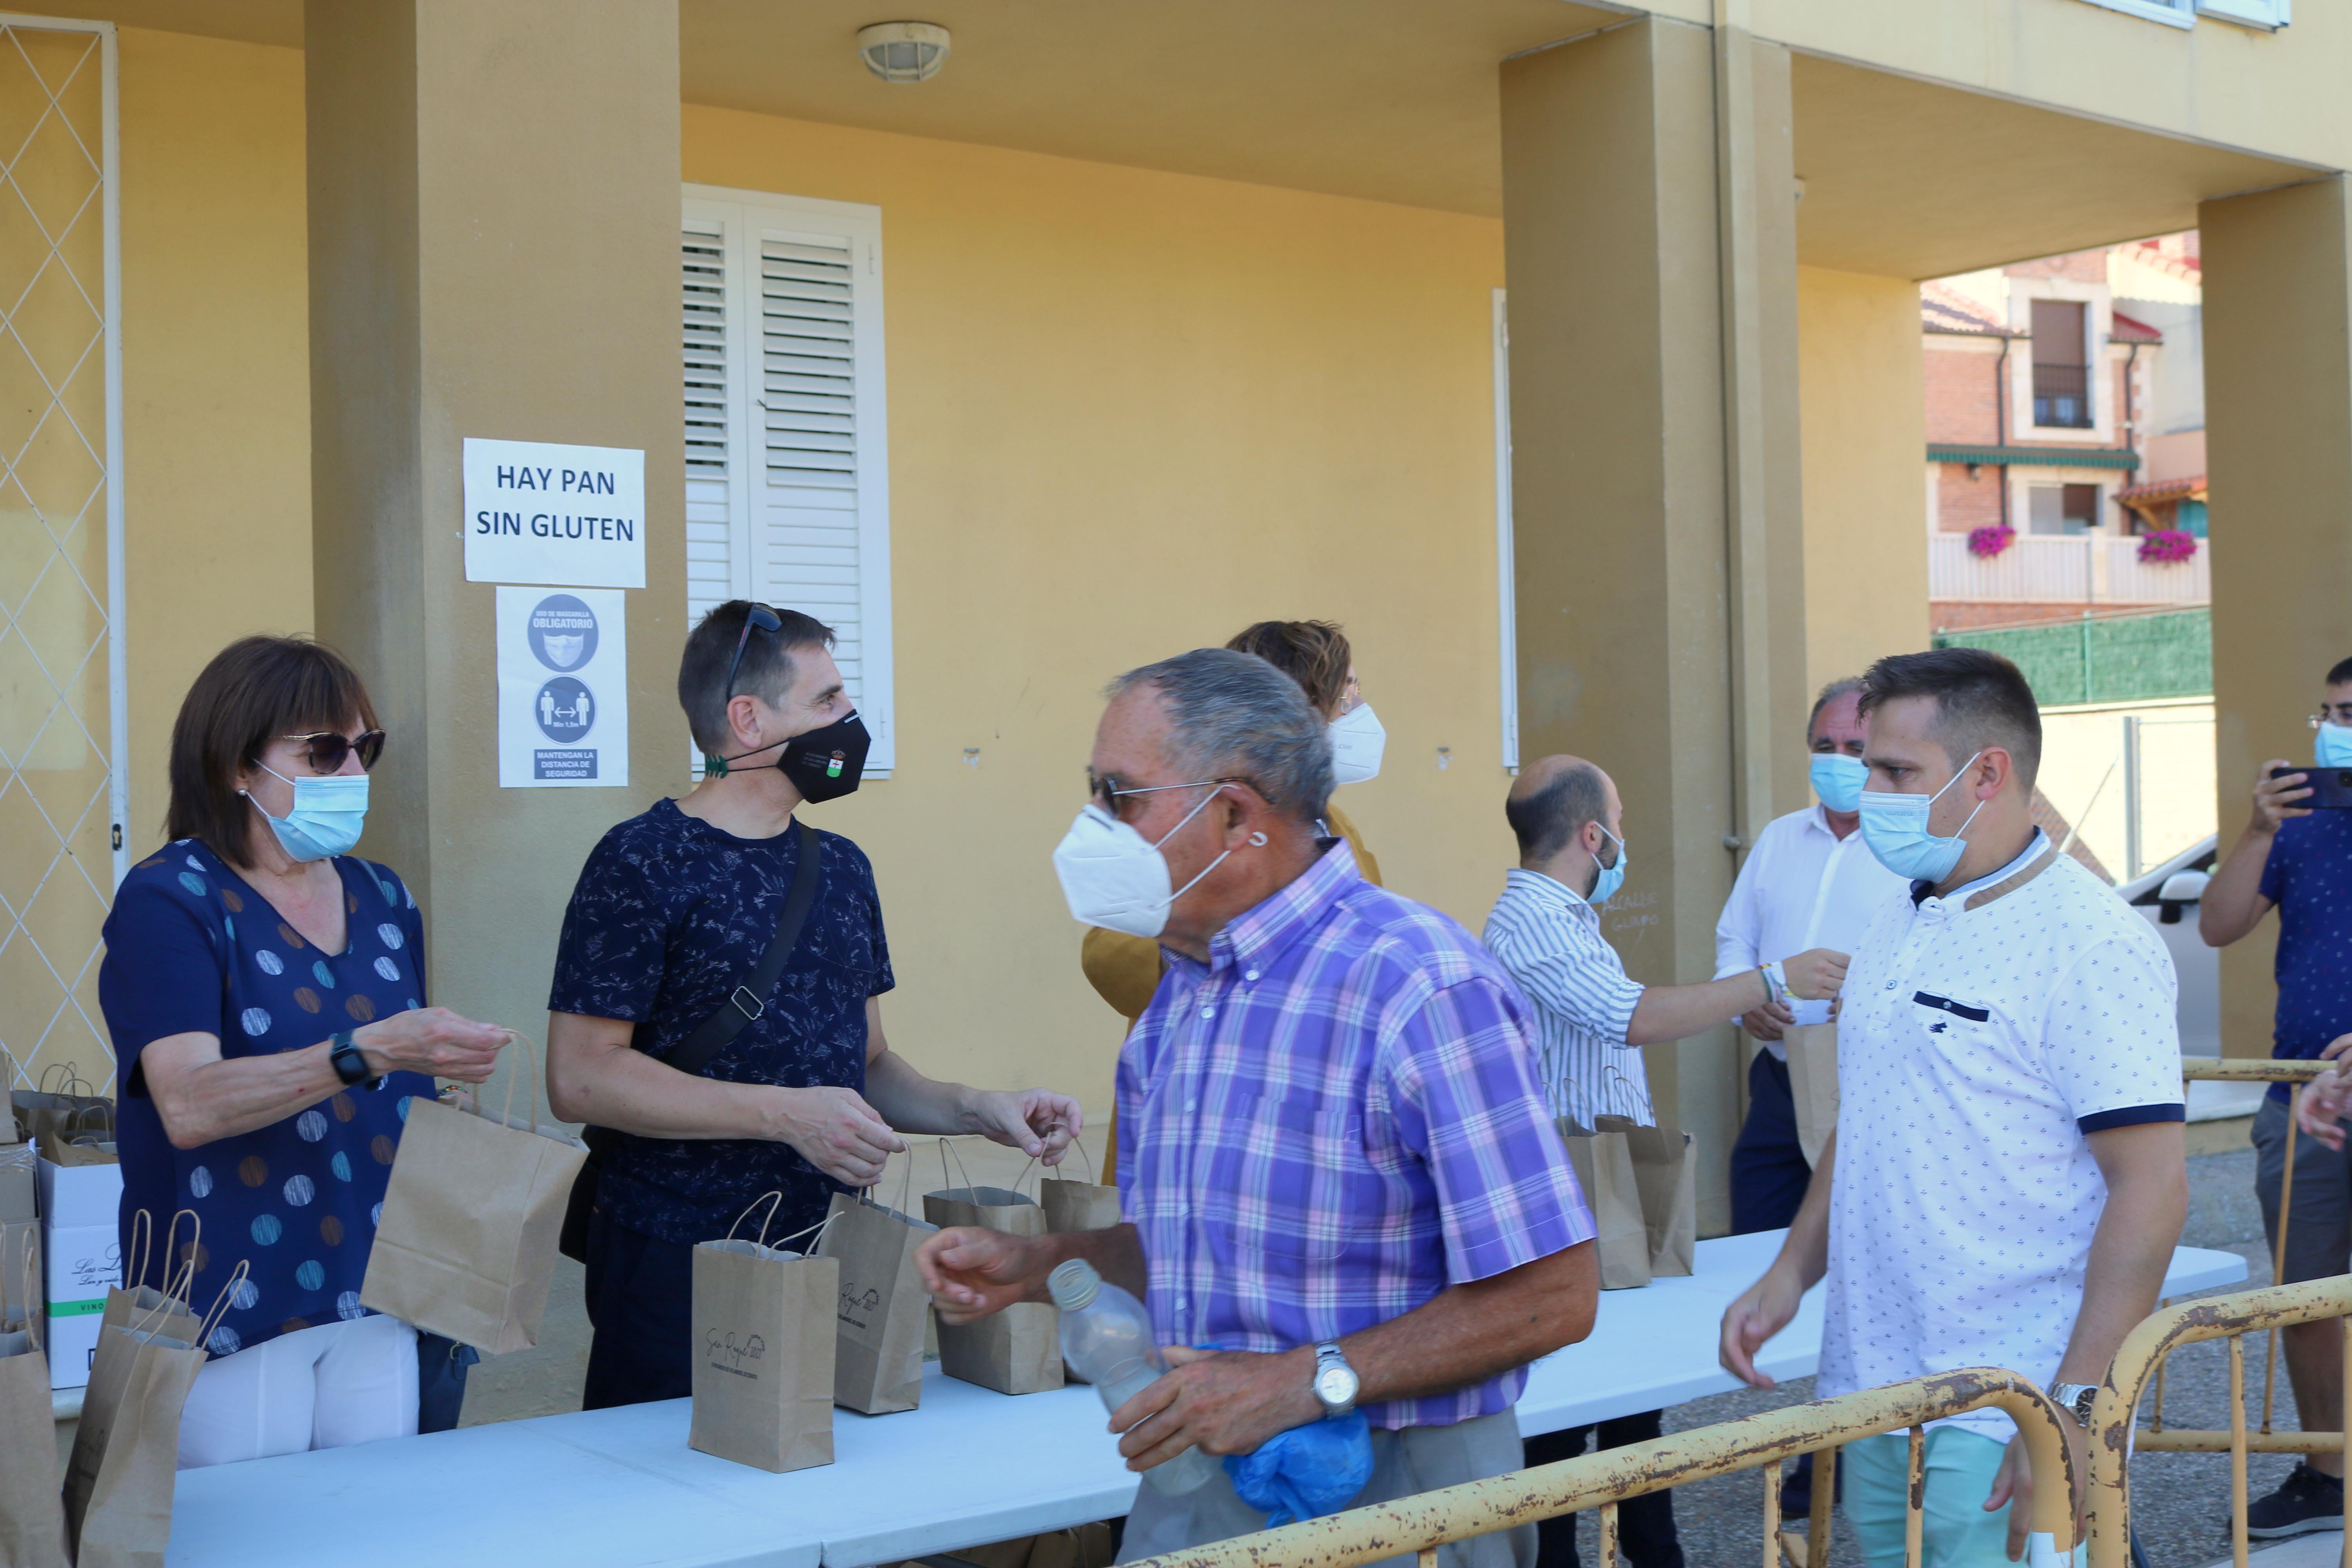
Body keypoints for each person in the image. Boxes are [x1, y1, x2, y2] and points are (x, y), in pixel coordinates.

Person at [923, 648, 1598, 1568]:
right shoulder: (1182, 993)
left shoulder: (1418, 985)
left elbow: (1553, 1294)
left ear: (1235, 813)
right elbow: (1204, 1244)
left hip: (1397, 1496)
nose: (1091, 824)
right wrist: (1042, 1263)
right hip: (1200, 1476)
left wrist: (1304, 1380)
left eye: (1119, 795)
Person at [544, 601, 1083, 1409]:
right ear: (748, 717)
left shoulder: (842, 867)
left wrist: (980, 1106)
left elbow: (867, 1068)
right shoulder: (639, 860)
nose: (851, 719)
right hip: (672, 1261)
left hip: (830, 1252)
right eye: (829, 699)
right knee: (677, 1513)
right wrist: (786, 1115)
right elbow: (579, 1080)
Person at [1719, 648, 2187, 1568]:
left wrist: (2074, 1408)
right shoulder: (1899, 917)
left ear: (1987, 773)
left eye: (1897, 772)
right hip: (1878, 1391)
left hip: (2012, 1406)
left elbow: (2154, 1186)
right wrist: (1790, 1271)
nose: (1869, 793)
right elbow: (1872, 1117)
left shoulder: (2091, 943)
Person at [97, 635, 514, 1466]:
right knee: (259, 1540)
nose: (352, 770)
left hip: (379, 1287)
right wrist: (370, 1048)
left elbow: (398, 1079)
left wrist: (444, 1080)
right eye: (323, 750)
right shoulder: (171, 897)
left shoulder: (383, 894)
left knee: (374, 1533)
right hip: (226, 1295)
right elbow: (186, 1101)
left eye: (366, 748)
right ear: (236, 766)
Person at [1483, 755, 1846, 1568]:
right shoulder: (1532, 921)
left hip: (1609, 1187)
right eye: (1621, 821)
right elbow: (1629, 1015)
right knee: (1566, 1417)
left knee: (1633, 1407)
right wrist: (1770, 977)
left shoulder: (1570, 917)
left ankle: (1652, 1551)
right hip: (1569, 1196)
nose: (1626, 840)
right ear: (1592, 834)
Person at [1078, 619, 1384, 1178]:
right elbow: (1109, 956)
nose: (1358, 715)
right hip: (1195, 1115)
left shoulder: (1332, 827)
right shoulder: (1180, 820)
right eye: (1349, 697)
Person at [2200, 655, 2352, 1536]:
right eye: (2329, 711)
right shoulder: (2295, 825)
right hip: (2301, 1099)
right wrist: (2254, 829)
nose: (2335, 726)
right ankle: (2327, 1470)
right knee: (2306, 1296)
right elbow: (2221, 924)